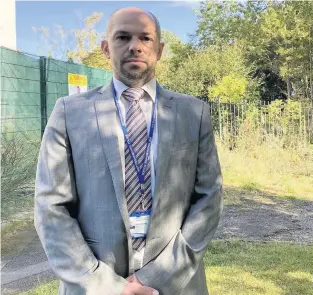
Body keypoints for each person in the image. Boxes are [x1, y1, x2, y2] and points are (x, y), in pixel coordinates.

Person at [34, 7, 222, 295]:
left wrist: (157, 277)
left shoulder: (193, 113)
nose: (135, 46)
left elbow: (209, 199)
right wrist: (105, 286)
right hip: (95, 283)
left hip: (177, 283)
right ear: (106, 48)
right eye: (123, 37)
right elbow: (51, 208)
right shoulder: (69, 113)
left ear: (159, 50)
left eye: (145, 38)